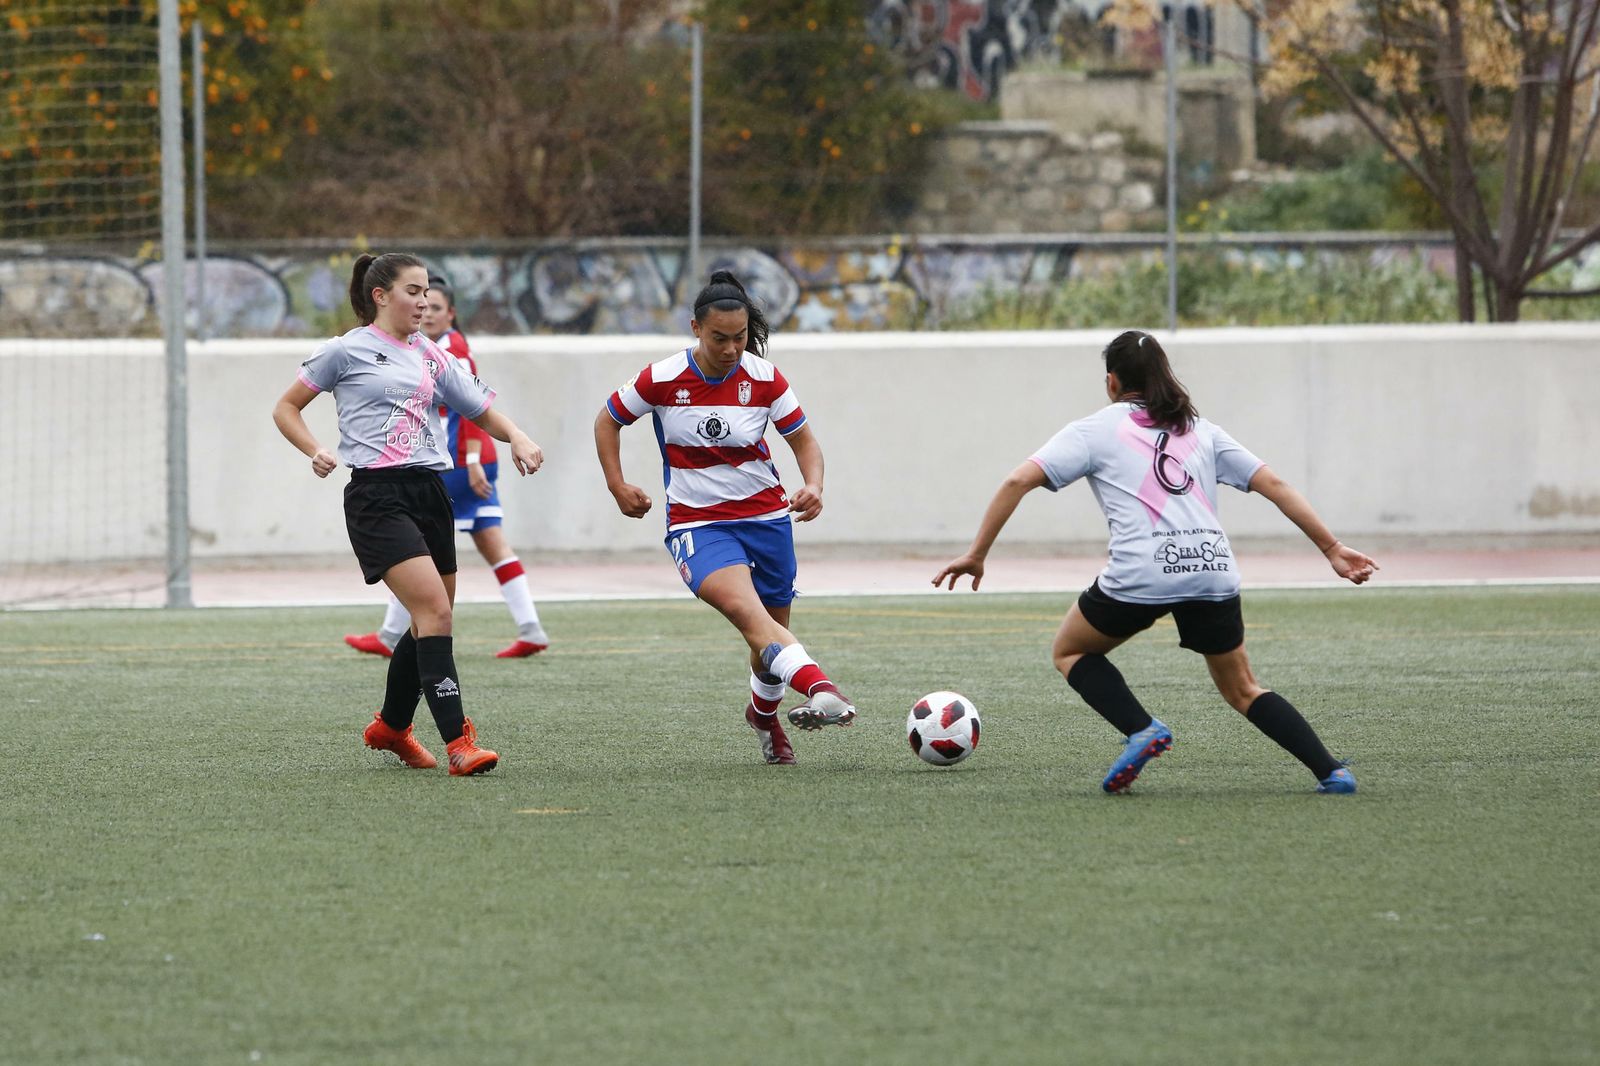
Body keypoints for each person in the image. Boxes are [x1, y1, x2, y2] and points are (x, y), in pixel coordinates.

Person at [933, 329, 1377, 795]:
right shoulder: (1201, 430)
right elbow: (1276, 485)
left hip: (1142, 572)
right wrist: (1331, 548)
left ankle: (1141, 728)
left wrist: (976, 554)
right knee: (1243, 689)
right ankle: (1331, 772)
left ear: (1111, 382)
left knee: (1070, 652)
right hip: (1211, 567)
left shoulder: (1092, 430)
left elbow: (1016, 481)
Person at [272, 252, 544, 776]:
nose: (424, 303)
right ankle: (460, 744)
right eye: (413, 292)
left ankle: (392, 727)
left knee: (428, 623)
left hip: (430, 492)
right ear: (381, 295)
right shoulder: (345, 350)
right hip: (378, 497)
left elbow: (478, 408)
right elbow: (286, 407)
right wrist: (314, 449)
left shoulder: (432, 355)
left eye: (427, 294)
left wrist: (517, 435)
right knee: (435, 614)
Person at [593, 270, 855, 766]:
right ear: (696, 328)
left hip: (768, 519)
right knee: (750, 616)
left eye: (739, 337)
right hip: (698, 525)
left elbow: (804, 441)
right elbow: (608, 419)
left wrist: (814, 485)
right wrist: (617, 484)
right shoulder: (662, 378)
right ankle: (822, 688)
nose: (732, 348)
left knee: (769, 634)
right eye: (720, 338)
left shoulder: (765, 378)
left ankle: (764, 716)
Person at [343, 276, 551, 660]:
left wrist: (471, 460)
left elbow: (472, 409)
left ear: (451, 314)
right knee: (488, 545)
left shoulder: (448, 350)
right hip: (467, 462)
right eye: (419, 298)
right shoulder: (420, 346)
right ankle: (530, 627)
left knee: (413, 550)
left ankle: (390, 635)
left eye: (434, 305)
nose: (426, 311)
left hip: (459, 464)